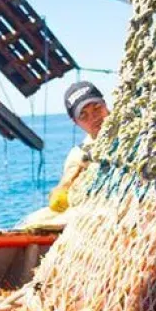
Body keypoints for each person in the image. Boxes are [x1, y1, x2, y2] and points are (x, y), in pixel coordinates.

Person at [47, 81, 110, 213]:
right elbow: (66, 183)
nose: (93, 117)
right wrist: (61, 190)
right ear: (75, 122)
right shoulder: (78, 155)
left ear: (106, 104)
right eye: (83, 115)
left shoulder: (134, 130)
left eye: (97, 108)